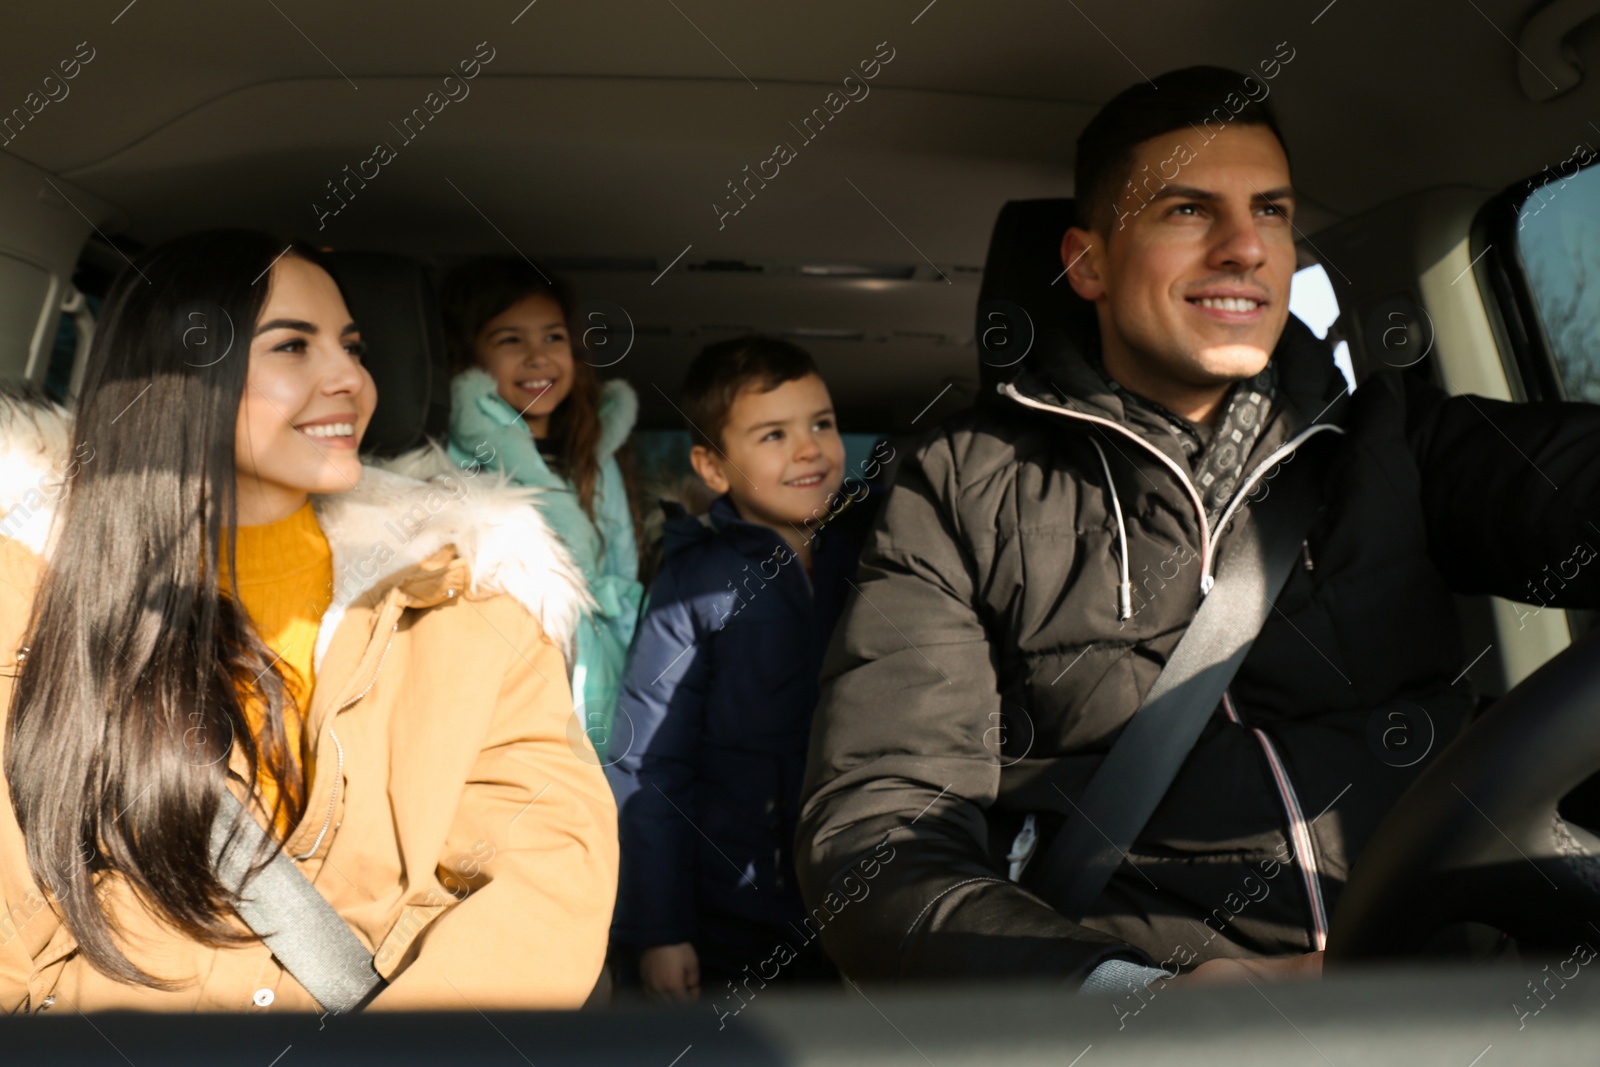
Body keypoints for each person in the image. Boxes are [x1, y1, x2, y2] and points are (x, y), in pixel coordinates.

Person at [794, 65, 1600, 992]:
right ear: (1087, 262)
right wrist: (1131, 997)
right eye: (1186, 211)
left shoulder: (1397, 441)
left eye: (1270, 211)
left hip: (1449, 978)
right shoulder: (958, 486)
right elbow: (879, 833)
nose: (1244, 248)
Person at [0, 231, 617, 1012]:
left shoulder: (469, 609)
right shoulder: (26, 597)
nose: (351, 379)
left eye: (353, 349)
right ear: (181, 370)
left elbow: (546, 872)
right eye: (293, 347)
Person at [609, 337, 882, 1002]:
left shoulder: (883, 550)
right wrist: (660, 929)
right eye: (773, 434)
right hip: (737, 916)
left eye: (821, 423)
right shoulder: (691, 587)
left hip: (871, 901)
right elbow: (648, 765)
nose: (810, 449)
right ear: (712, 466)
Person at [436, 258, 641, 762]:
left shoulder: (596, 454)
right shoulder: (461, 458)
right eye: (510, 341)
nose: (537, 358)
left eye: (553, 339)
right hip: (515, 679)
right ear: (470, 360)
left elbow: (623, 571)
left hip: (606, 674)